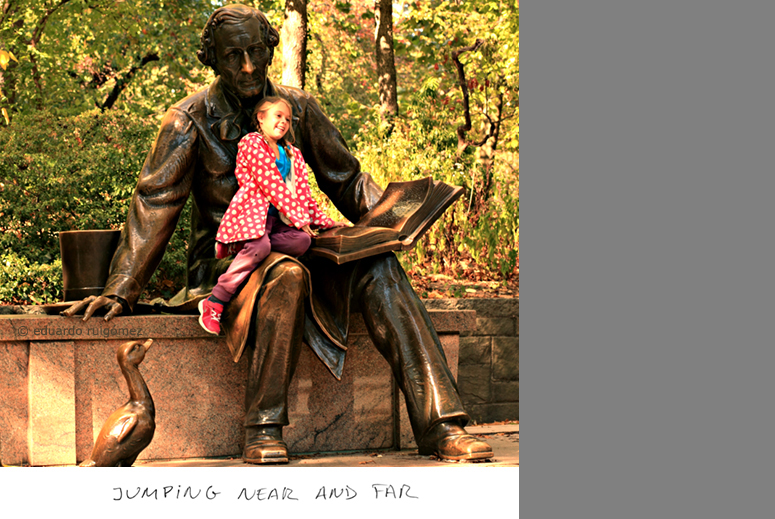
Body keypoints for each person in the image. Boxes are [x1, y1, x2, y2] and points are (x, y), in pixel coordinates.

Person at [63, 4, 493, 464]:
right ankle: (263, 427)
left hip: (299, 243)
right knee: (283, 274)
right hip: (230, 264)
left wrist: (394, 222)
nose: (247, 67)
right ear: (212, 58)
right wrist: (122, 287)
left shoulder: (300, 109)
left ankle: (442, 425)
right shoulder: (187, 120)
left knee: (380, 265)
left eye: (255, 53)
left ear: (269, 51)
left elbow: (346, 182)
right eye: (233, 56)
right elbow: (155, 202)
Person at [199, 96, 338, 335]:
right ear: (261, 118)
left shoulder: (292, 153)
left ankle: (250, 250)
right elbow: (271, 184)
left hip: (279, 222)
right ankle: (215, 301)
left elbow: (303, 194)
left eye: (287, 119)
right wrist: (300, 219)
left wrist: (326, 222)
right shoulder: (251, 143)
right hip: (253, 216)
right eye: (278, 116)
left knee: (303, 241)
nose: (283, 122)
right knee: (261, 246)